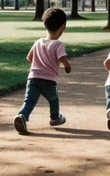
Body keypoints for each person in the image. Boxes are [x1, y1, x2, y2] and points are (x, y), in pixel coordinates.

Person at [14, 7, 71, 135]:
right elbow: (62, 59)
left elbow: (29, 57)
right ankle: (55, 118)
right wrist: (67, 66)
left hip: (33, 78)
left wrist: (39, 63)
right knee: (53, 99)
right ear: (63, 27)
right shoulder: (58, 44)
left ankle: (21, 116)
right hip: (49, 80)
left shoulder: (38, 42)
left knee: (29, 100)